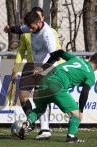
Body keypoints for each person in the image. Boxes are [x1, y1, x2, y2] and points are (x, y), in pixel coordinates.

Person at [19, 49, 97, 143]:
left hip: (44, 82)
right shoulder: (91, 75)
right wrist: (81, 110)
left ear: (90, 58)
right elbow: (85, 92)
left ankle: (28, 123)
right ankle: (71, 137)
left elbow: (60, 52)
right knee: (75, 114)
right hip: (57, 86)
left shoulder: (76, 59)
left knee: (40, 109)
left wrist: (45, 66)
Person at [7, 8, 61, 140]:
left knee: (39, 98)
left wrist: (43, 68)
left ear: (39, 22)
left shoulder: (48, 34)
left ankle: (45, 129)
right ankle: (30, 123)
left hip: (46, 68)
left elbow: (56, 56)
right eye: (29, 28)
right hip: (32, 66)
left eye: (31, 27)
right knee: (23, 95)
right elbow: (20, 29)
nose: (29, 30)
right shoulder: (32, 28)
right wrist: (10, 29)